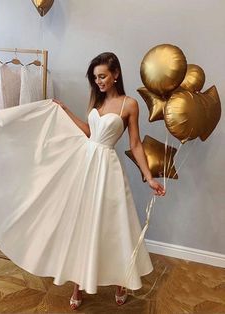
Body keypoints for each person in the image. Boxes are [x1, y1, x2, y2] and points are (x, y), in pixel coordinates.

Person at [54, 52, 165, 310]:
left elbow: (135, 144)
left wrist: (149, 177)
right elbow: (90, 133)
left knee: (115, 226)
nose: (99, 81)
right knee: (83, 223)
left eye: (102, 76)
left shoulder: (130, 104)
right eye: (95, 78)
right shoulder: (97, 100)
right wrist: (65, 111)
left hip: (108, 168)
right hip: (87, 164)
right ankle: (78, 284)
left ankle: (120, 280)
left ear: (116, 75)